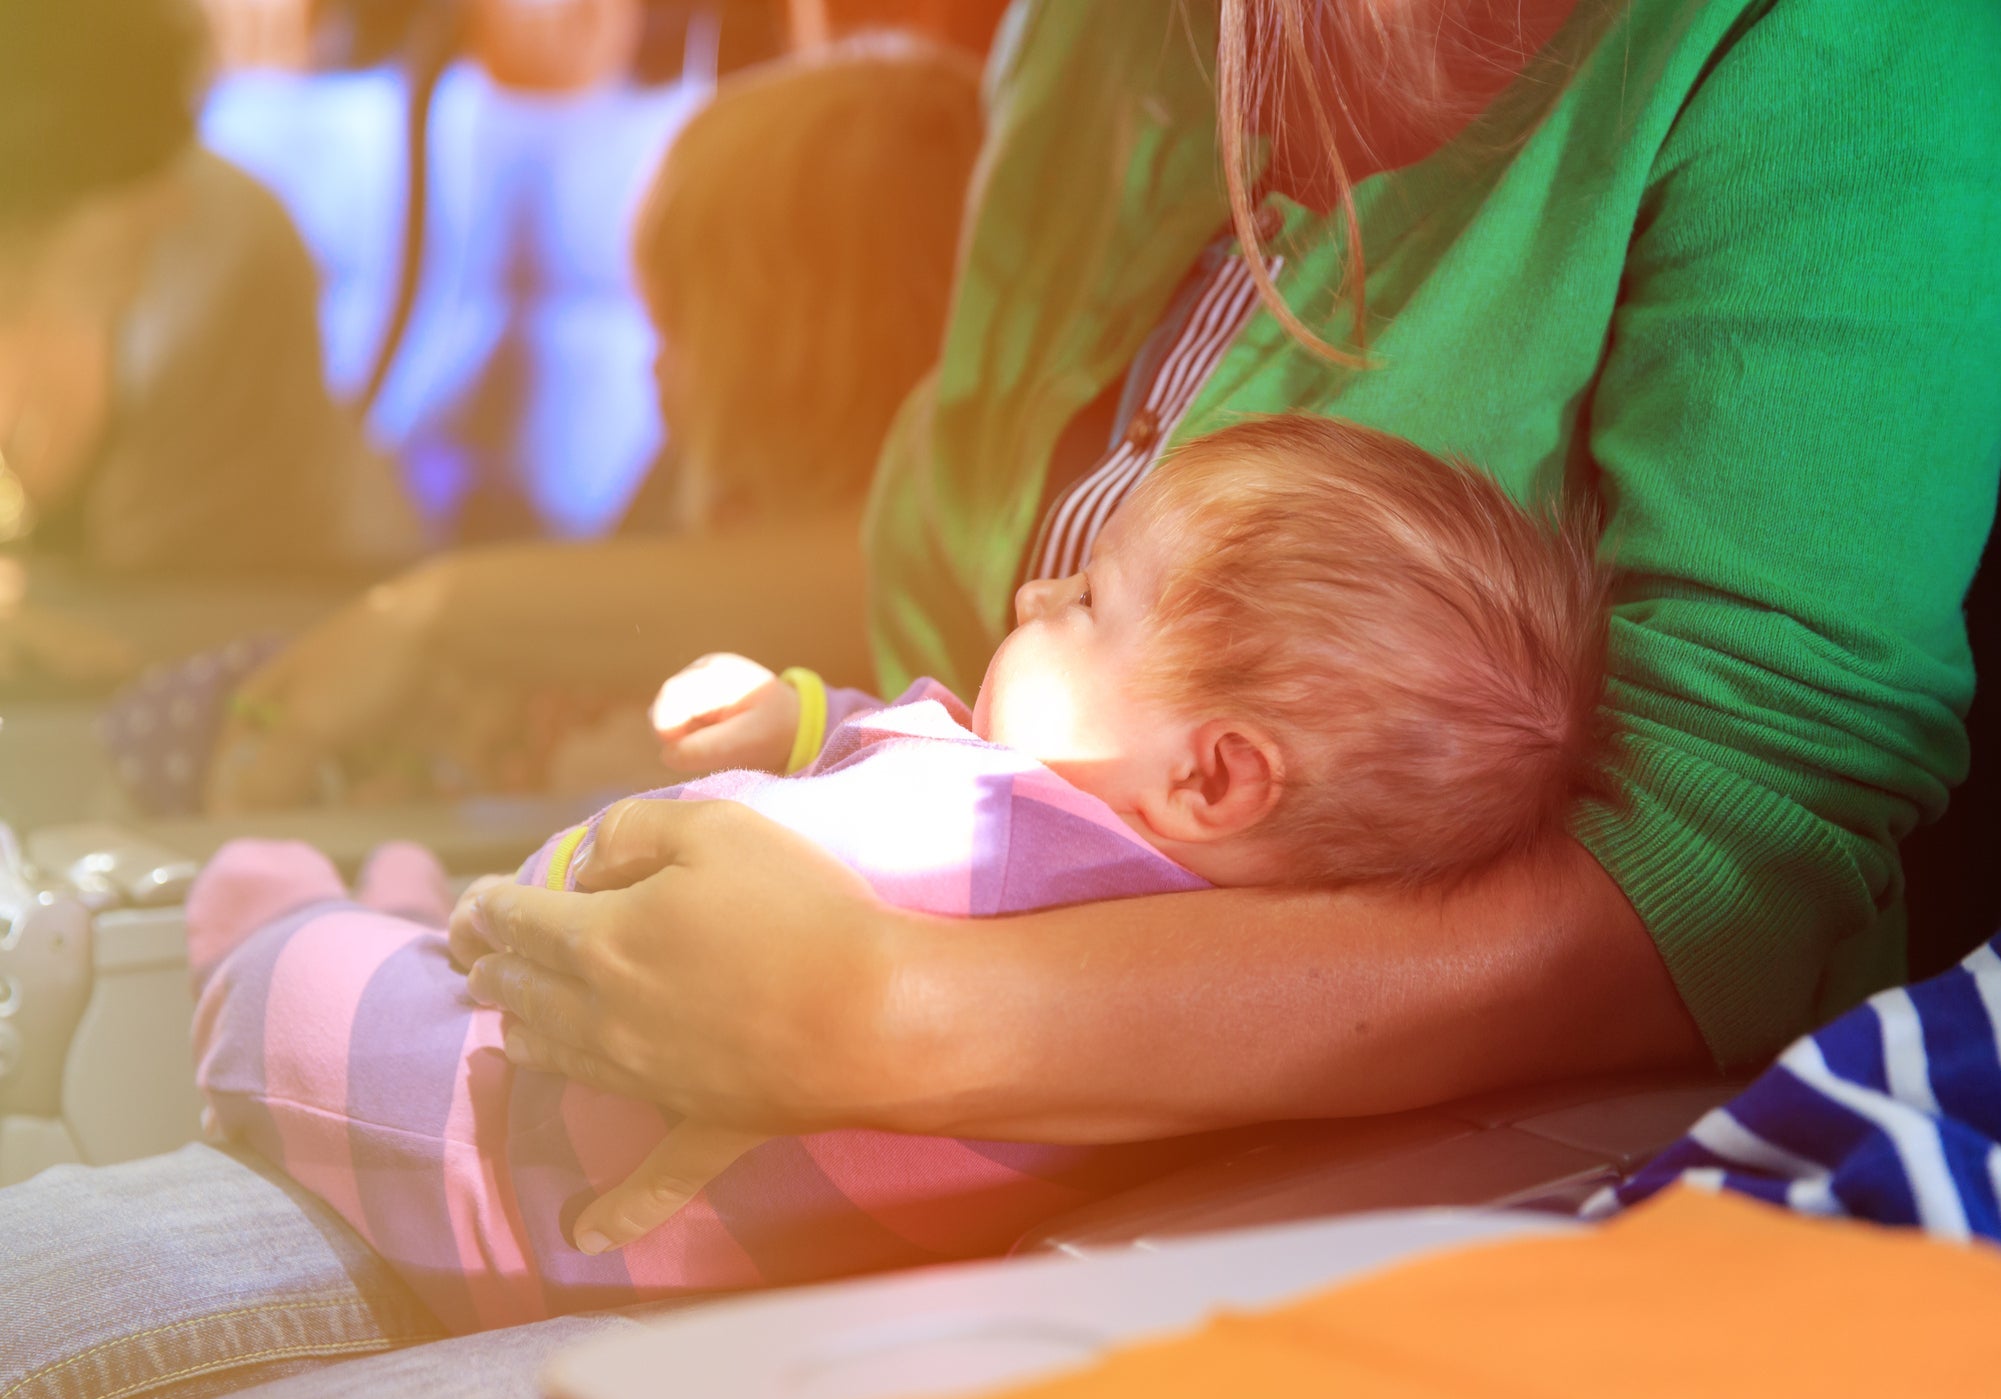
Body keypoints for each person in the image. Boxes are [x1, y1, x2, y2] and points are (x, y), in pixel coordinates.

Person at [0, 0, 2001, 1399]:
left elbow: (1727, 854)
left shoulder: (1838, 54)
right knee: (57, 1272)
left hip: (1338, 1131)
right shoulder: (1112, 41)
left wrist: (909, 1019)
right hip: (857, 1005)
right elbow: (990, 593)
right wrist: (465, 612)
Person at [185, 415, 1612, 1330]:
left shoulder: (972, 844)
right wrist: (806, 718)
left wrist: (563, 867)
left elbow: (647, 882)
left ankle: (281, 912)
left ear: (1215, 772)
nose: (1034, 596)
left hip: (489, 1169)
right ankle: (379, 898)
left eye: (1091, 600)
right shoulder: (1183, 927)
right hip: (696, 1255)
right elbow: (927, 750)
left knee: (295, 957)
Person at [202, 32, 986, 808]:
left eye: (679, 334)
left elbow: (863, 585)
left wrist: (437, 616)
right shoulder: (708, 526)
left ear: (804, 361)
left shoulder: (922, 580)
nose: (652, 371)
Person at [0, 0, 416, 588]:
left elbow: (213, 609)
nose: (171, 205)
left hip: (298, 614)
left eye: (172, 150)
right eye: (130, 170)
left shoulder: (227, 259)